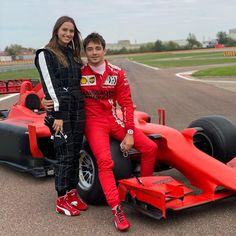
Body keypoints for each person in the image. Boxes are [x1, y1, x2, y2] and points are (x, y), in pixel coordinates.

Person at [43, 32, 158, 231]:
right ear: (85, 52)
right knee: (105, 162)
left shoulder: (117, 73)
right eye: (90, 49)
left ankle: (144, 191)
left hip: (114, 120)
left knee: (150, 148)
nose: (94, 53)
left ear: (105, 50)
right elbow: (57, 86)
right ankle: (116, 209)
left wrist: (130, 133)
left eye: (98, 48)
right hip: (93, 124)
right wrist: (46, 100)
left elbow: (127, 105)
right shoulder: (79, 72)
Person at [34, 16, 88, 216]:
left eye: (71, 31)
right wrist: (57, 114)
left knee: (75, 154)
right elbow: (51, 87)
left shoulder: (73, 55)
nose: (68, 34)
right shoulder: (45, 54)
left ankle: (72, 193)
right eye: (64, 30)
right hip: (60, 115)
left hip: (78, 111)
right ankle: (61, 199)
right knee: (64, 156)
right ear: (57, 30)